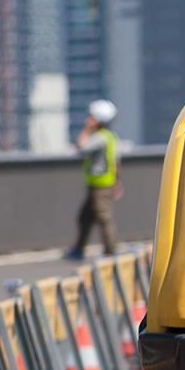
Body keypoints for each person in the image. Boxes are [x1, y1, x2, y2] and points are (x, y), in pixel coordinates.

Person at [66, 99, 121, 259]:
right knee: (85, 218)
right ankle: (79, 249)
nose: (87, 120)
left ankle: (111, 251)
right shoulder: (110, 137)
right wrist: (117, 182)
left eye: (91, 117)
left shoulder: (99, 138)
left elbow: (81, 147)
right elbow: (116, 162)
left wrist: (86, 129)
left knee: (104, 218)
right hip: (101, 184)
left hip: (99, 185)